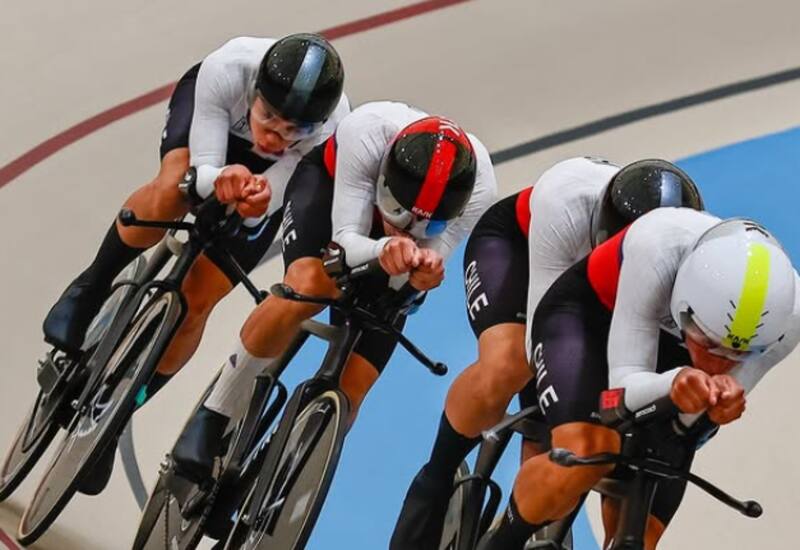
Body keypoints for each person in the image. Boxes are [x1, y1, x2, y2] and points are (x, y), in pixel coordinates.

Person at [44, 33, 349, 495]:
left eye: (293, 131)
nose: (273, 136)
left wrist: (253, 199)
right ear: (256, 93)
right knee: (171, 191)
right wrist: (216, 178)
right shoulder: (231, 68)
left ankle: (116, 417)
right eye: (268, 116)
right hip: (215, 135)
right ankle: (92, 285)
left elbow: (278, 196)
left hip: (272, 177)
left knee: (197, 300)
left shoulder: (331, 130)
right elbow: (200, 171)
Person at [169, 101, 498, 486]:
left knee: (353, 386)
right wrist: (382, 249)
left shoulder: (480, 189)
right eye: (399, 210)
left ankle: (279, 482)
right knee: (308, 285)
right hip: (331, 197)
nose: (406, 225)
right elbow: (344, 246)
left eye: (428, 221)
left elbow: (414, 282)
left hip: (390, 249)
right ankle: (214, 414)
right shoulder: (367, 131)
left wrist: (420, 277)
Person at [390, 157, 705, 549]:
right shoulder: (567, 203)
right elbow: (543, 336)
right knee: (511, 365)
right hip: (522, 252)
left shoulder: (694, 269)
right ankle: (435, 482)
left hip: (607, 298)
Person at [477, 210, 800, 550]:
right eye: (706, 342)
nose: (715, 363)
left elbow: (687, 431)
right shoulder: (658, 244)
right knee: (585, 453)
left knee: (642, 537)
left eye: (736, 356)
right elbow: (623, 391)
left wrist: (714, 412)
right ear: (684, 306)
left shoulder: (789, 321)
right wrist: (676, 383)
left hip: (671, 358)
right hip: (588, 319)